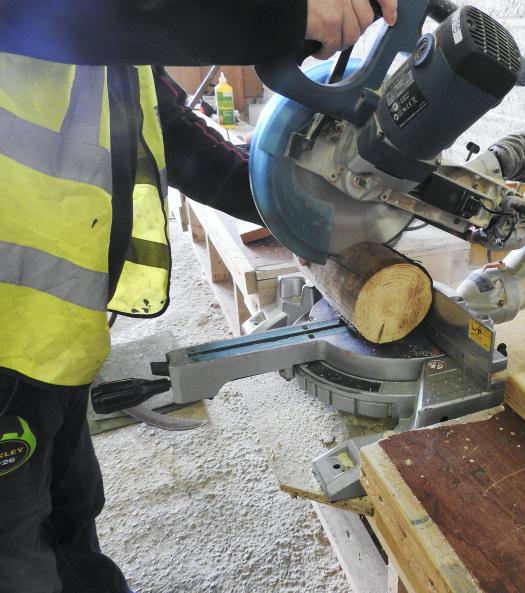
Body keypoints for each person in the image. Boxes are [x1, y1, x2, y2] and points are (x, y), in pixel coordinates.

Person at [0, 1, 397, 591]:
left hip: (50, 335)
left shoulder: (116, 47)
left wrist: (298, 211)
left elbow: (174, 135)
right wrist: (283, 13)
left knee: (69, 513)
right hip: (9, 335)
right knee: (14, 551)